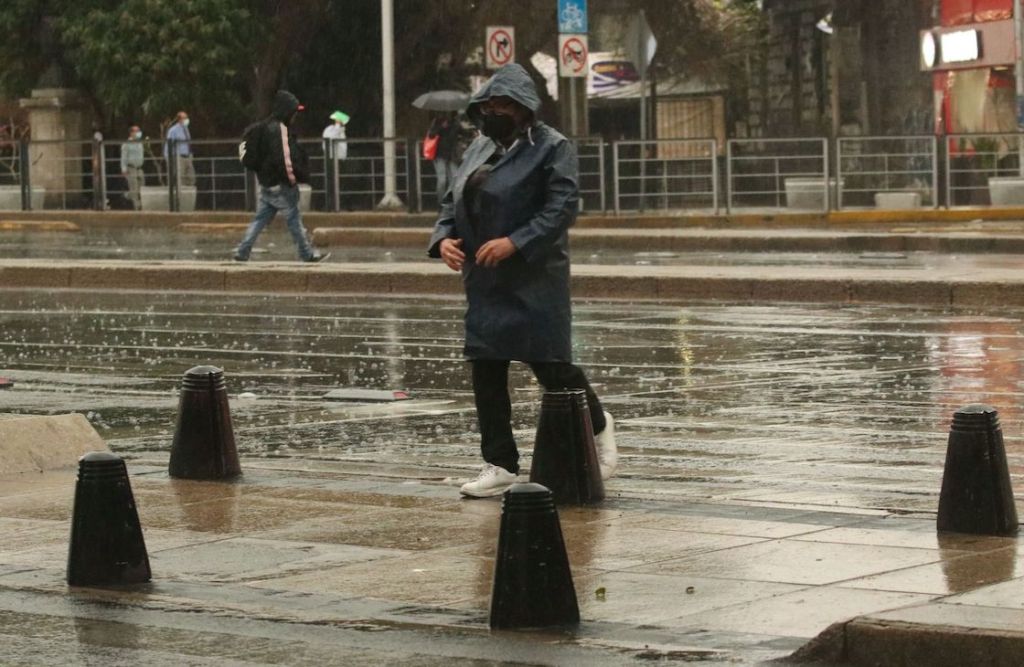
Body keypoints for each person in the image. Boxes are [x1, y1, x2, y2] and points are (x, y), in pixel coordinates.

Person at [427, 63, 617, 498]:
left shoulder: (553, 147)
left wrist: (516, 241)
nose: (495, 112)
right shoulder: (478, 147)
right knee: (486, 368)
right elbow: (449, 201)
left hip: (534, 279)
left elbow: (561, 207)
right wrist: (443, 240)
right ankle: (500, 463)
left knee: (551, 366)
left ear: (525, 108)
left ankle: (600, 428)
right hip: (485, 279)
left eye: (504, 105)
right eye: (489, 105)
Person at [234, 90, 328, 263]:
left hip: (266, 184)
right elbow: (284, 159)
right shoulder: (280, 130)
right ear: (287, 111)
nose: (295, 116)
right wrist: (293, 180)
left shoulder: (263, 127)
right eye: (294, 112)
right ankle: (307, 254)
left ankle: (242, 251)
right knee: (294, 220)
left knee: (259, 220)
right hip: (282, 185)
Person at [426, 111, 459, 202]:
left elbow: (457, 134)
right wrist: (441, 127)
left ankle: (453, 201)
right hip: (439, 154)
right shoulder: (437, 122)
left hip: (450, 155)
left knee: (455, 178)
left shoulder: (454, 124)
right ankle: (441, 202)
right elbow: (431, 135)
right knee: (442, 180)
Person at [322, 110, 349, 208]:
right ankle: (330, 205)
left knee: (341, 184)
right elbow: (330, 138)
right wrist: (337, 126)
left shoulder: (342, 131)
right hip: (331, 159)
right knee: (331, 183)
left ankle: (340, 205)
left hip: (340, 160)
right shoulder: (330, 129)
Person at [164, 111, 195, 187]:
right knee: (180, 179)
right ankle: (180, 197)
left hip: (188, 157)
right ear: (179, 119)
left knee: (191, 178)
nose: (187, 119)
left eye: (187, 117)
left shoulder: (186, 129)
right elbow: (168, 144)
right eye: (185, 118)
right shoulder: (173, 130)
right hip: (178, 157)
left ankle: (188, 196)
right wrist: (168, 158)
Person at [120, 124, 145, 210]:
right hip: (131, 168)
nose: (138, 132)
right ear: (131, 133)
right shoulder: (127, 144)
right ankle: (137, 207)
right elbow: (123, 157)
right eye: (136, 131)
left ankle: (127, 195)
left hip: (139, 168)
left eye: (139, 130)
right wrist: (123, 169)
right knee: (134, 188)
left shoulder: (140, 143)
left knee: (141, 187)